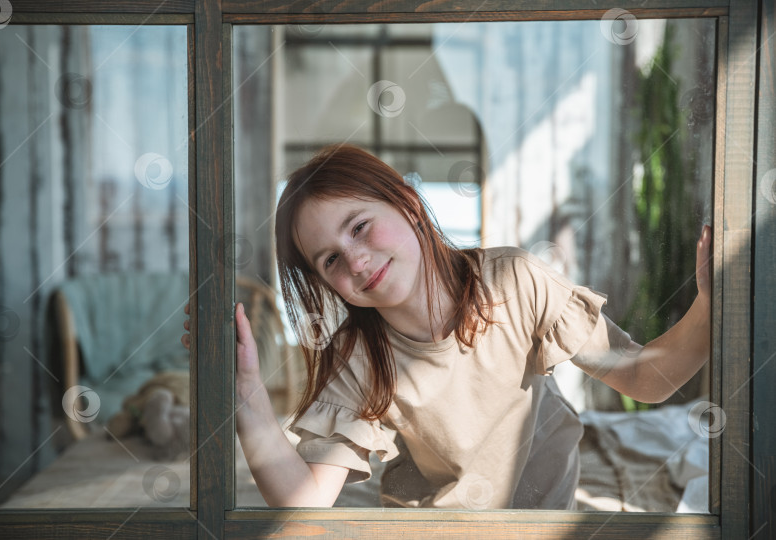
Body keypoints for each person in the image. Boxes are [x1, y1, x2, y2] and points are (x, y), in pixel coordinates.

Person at [180, 144, 712, 509]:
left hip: (547, 521)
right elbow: (304, 506)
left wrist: (712, 301)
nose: (357, 262)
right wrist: (245, 393)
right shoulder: (358, 356)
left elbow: (649, 379)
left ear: (406, 203)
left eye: (360, 227)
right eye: (331, 262)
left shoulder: (514, 281)